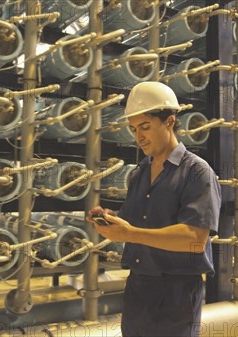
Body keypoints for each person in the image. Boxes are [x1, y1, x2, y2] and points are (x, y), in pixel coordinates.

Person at [87, 81, 222, 336]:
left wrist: (130, 234)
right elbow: (136, 222)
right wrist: (110, 219)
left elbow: (195, 239)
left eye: (145, 127)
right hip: (139, 287)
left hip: (176, 292)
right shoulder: (139, 173)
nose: (139, 136)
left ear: (169, 121)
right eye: (134, 129)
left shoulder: (197, 172)